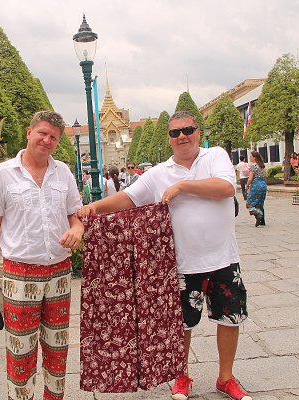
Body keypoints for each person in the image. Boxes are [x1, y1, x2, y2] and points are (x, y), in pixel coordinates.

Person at [78, 111, 251, 400]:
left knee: (230, 319)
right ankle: (181, 375)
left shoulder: (215, 156)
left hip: (223, 258)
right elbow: (128, 198)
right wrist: (94, 208)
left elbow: (225, 188)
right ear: (169, 138)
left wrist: (182, 186)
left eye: (188, 130)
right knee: (181, 324)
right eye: (175, 132)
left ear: (198, 131)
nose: (182, 136)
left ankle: (226, 377)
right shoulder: (159, 172)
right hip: (181, 263)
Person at [0, 111, 84, 400]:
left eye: (53, 137)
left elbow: (75, 215)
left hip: (59, 271)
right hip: (20, 273)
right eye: (42, 133)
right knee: (20, 349)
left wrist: (77, 228)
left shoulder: (63, 173)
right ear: (29, 133)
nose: (47, 140)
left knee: (58, 347)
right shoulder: (3, 174)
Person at [246, 151, 267, 227]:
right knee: (260, 203)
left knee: (249, 204)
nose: (250, 158)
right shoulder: (262, 166)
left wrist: (247, 185)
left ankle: (258, 214)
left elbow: (250, 178)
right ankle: (262, 221)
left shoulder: (253, 166)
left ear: (254, 157)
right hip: (263, 184)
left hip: (256, 185)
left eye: (251, 156)